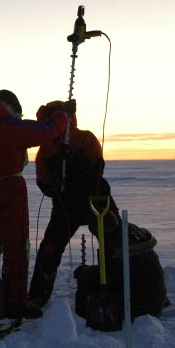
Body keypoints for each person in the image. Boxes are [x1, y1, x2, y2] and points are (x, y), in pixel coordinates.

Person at [0, 90, 71, 319]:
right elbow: (48, 131)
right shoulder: (11, 128)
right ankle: (15, 301)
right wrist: (63, 115)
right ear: (9, 110)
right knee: (16, 247)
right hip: (11, 195)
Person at [28, 99, 119, 308]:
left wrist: (76, 160)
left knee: (117, 243)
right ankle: (38, 295)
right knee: (49, 249)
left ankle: (128, 283)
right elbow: (43, 182)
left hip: (96, 200)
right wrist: (54, 184)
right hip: (66, 206)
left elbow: (97, 169)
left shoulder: (85, 138)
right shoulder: (45, 151)